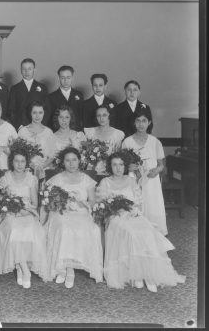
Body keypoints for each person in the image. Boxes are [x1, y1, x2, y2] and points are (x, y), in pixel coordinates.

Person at [97, 152, 185, 292]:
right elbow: (102, 205)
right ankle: (137, 275)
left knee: (147, 231)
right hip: (114, 218)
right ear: (110, 166)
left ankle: (147, 274)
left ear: (125, 166)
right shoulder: (105, 182)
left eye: (121, 164)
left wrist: (134, 212)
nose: (118, 168)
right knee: (131, 233)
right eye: (114, 165)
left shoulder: (131, 181)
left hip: (133, 214)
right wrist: (116, 212)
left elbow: (138, 202)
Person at [42, 147, 103, 288]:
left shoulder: (87, 179)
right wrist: (62, 204)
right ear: (63, 162)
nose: (71, 163)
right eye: (67, 160)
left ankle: (71, 268)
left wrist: (81, 203)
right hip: (61, 212)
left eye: (74, 160)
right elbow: (51, 201)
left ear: (79, 161)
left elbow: (93, 201)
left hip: (81, 211)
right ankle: (64, 268)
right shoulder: (56, 179)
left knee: (88, 228)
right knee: (64, 227)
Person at [0, 149, 46, 288]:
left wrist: (26, 211)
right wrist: (14, 209)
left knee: (32, 229)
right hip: (10, 213)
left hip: (28, 212)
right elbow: (3, 201)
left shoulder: (31, 178)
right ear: (12, 162)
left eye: (22, 161)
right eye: (16, 161)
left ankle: (20, 267)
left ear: (26, 163)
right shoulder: (5, 178)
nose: (19, 164)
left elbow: (35, 203)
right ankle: (24, 270)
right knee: (14, 229)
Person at [122, 108, 167, 235]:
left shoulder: (155, 142)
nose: (141, 124)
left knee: (152, 206)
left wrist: (157, 170)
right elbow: (121, 164)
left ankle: (154, 236)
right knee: (135, 206)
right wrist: (128, 167)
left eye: (144, 121)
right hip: (134, 180)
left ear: (149, 123)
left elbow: (161, 164)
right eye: (138, 121)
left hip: (151, 180)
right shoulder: (127, 142)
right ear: (134, 123)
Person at [17, 101, 57, 179]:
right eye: (34, 112)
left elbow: (52, 156)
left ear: (44, 113)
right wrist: (32, 166)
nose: (37, 116)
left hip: (44, 170)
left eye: (40, 112)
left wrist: (41, 167)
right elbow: (19, 153)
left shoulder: (49, 132)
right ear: (30, 113)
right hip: (27, 170)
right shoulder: (23, 131)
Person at [7, 58, 49, 131]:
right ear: (20, 70)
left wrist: (41, 126)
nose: (27, 72)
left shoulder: (43, 88)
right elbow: (11, 111)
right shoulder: (14, 89)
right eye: (24, 69)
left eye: (29, 69)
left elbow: (47, 110)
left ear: (34, 70)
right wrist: (19, 126)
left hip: (39, 127)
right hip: (21, 127)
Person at [83, 105, 124, 173]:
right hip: (92, 169)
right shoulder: (90, 132)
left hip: (110, 170)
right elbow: (86, 154)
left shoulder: (117, 134)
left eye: (104, 115)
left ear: (109, 116)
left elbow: (118, 156)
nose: (101, 118)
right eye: (98, 115)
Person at [46, 65, 84, 131]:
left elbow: (81, 117)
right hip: (58, 133)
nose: (65, 80)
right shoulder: (51, 97)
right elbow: (49, 120)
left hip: (76, 133)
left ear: (72, 78)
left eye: (68, 77)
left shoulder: (79, 95)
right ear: (58, 78)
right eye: (63, 78)